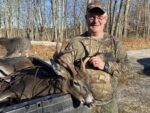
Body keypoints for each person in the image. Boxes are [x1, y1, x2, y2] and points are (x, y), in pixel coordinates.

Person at [53, 1, 131, 113]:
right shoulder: (76, 43)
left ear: (105, 19)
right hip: (82, 103)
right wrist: (61, 60)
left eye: (99, 17)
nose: (95, 21)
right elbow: (64, 66)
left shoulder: (114, 43)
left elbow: (128, 68)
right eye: (91, 17)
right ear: (86, 18)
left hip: (108, 104)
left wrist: (105, 66)